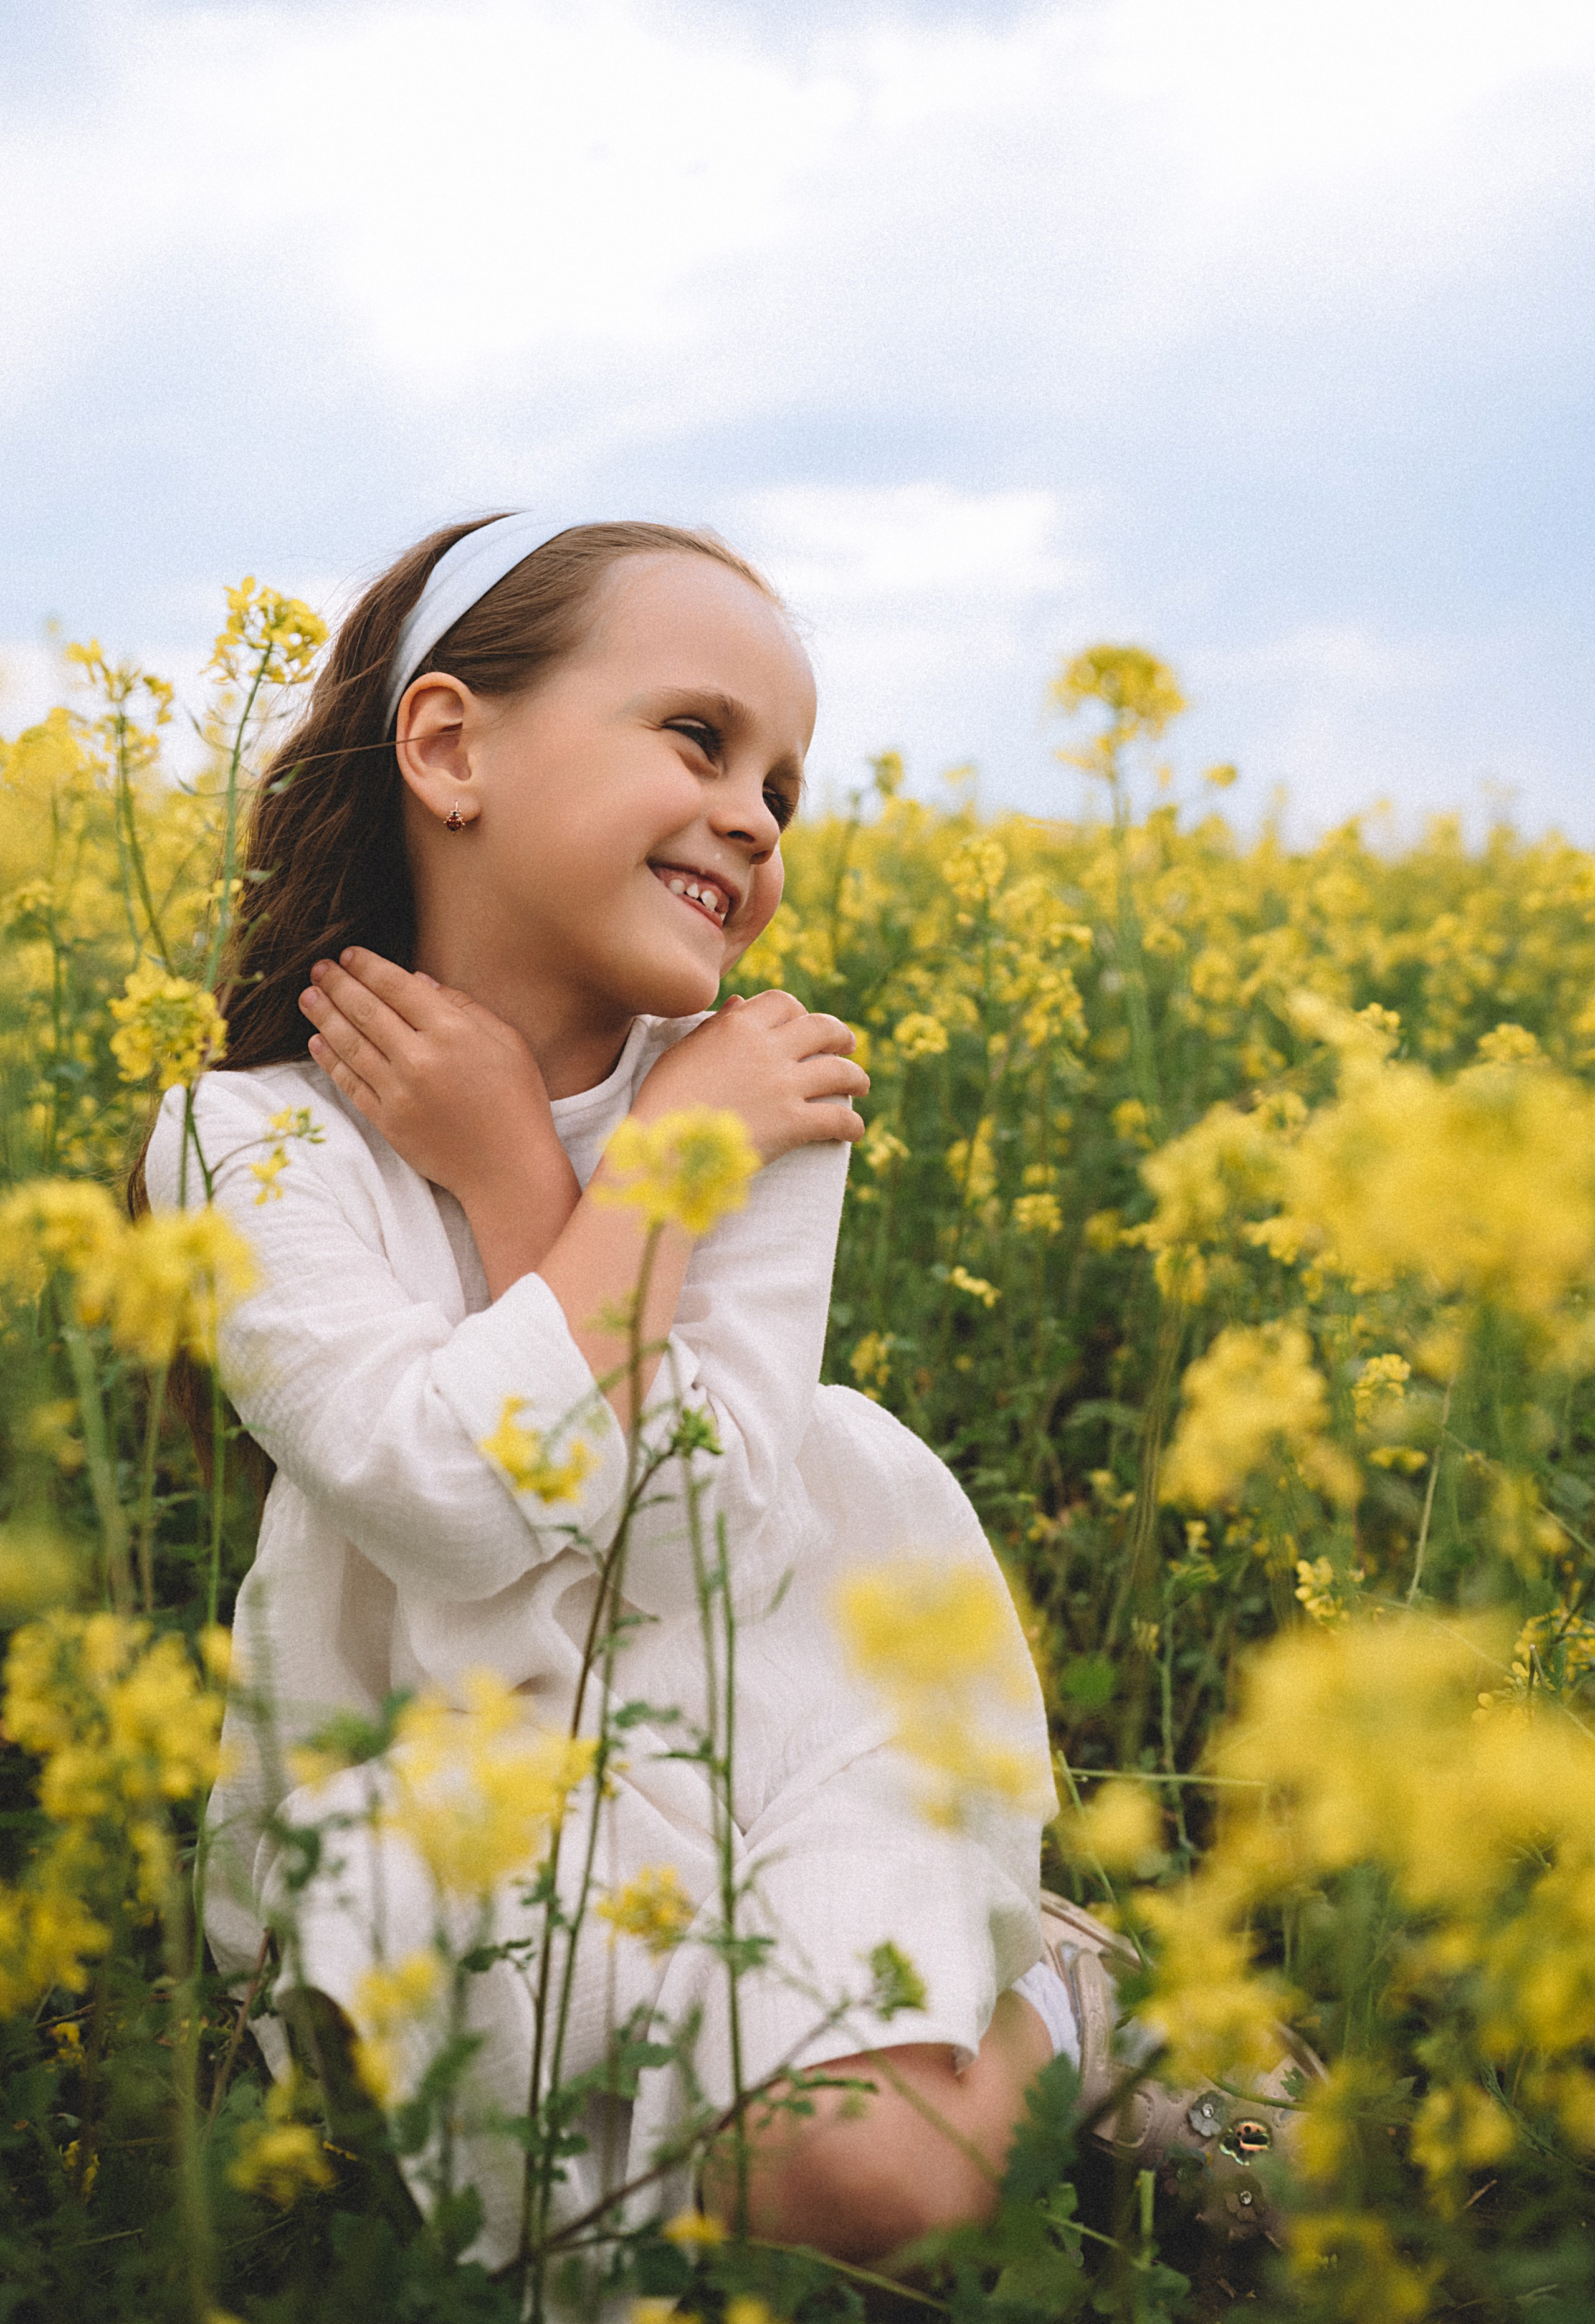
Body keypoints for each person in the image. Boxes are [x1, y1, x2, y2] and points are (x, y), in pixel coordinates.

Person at [140, 517, 1080, 2270]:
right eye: (701, 738)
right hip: (433, 1776)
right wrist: (608, 1190)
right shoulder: (245, 1136)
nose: (757, 815)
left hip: (784, 1720)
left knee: (856, 2187)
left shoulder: (757, 1097)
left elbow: (686, 1559)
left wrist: (569, 1176)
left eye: (783, 786)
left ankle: (1083, 2022)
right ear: (447, 747)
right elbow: (434, 1495)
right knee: (463, 2185)